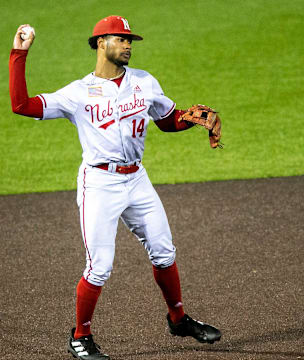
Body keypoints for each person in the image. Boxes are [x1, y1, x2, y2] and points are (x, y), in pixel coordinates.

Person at [9, 16, 221, 360]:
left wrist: (194, 120)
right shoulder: (78, 93)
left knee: (164, 251)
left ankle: (178, 319)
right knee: (100, 266)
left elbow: (167, 119)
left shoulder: (144, 81)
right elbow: (22, 105)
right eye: (121, 39)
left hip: (137, 179)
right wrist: (19, 54)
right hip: (100, 184)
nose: (128, 44)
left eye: (130, 40)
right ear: (101, 43)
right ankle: (80, 336)